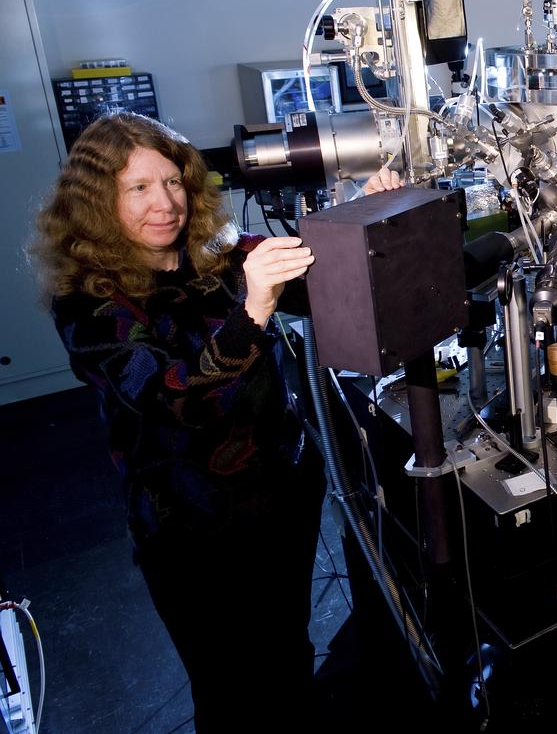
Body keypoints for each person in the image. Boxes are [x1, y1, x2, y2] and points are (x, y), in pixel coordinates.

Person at [33, 112, 333, 731]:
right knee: (228, 687)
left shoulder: (216, 256)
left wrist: (361, 211)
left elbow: (315, 274)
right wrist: (254, 310)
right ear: (96, 203)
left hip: (282, 496)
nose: (164, 203)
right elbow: (172, 396)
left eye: (172, 182)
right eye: (137, 188)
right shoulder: (89, 301)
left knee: (288, 655)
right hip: (193, 531)